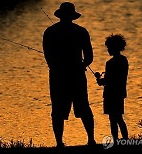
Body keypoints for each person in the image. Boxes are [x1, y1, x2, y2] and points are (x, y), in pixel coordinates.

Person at [43, 2, 96, 148]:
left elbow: (48, 57)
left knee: (58, 110)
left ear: (60, 15)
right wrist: (82, 65)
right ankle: (91, 140)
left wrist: (57, 67)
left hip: (57, 76)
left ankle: (59, 143)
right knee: (84, 107)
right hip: (77, 75)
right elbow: (89, 57)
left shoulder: (50, 32)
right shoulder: (81, 32)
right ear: (73, 16)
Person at [95, 34, 129, 141]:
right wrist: (101, 80)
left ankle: (117, 140)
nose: (108, 50)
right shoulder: (124, 60)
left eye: (109, 47)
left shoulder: (110, 63)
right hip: (118, 93)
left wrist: (99, 79)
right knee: (117, 118)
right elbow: (113, 79)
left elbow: (107, 80)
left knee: (114, 119)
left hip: (111, 94)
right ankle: (124, 139)